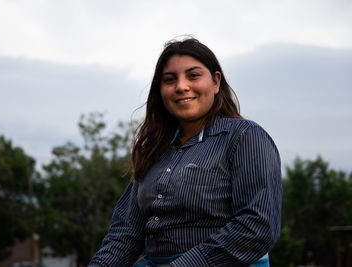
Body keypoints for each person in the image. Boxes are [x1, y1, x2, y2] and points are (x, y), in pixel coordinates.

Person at [88, 38, 282, 267]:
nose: (181, 86)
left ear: (216, 82)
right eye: (170, 80)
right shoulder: (155, 150)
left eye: (193, 75)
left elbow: (256, 227)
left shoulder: (244, 137)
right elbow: (125, 233)